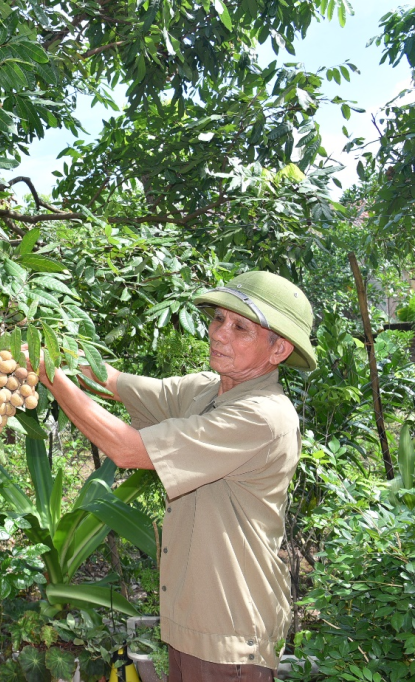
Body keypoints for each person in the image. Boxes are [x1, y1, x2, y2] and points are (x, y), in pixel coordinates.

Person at [31, 271, 316, 682]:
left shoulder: (262, 416)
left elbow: (127, 449)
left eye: (240, 328)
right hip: (194, 623)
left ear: (279, 350)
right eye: (218, 319)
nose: (219, 334)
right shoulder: (205, 390)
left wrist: (50, 377)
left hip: (230, 633)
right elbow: (112, 381)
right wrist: (49, 352)